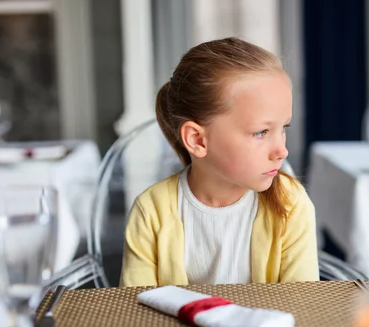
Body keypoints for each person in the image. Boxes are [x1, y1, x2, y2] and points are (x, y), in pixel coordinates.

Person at [120, 37, 318, 287]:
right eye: (261, 132)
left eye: (283, 128)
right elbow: (134, 311)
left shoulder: (291, 205)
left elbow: (301, 305)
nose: (282, 150)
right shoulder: (151, 211)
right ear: (198, 140)